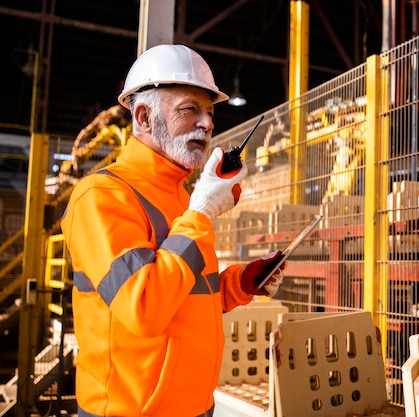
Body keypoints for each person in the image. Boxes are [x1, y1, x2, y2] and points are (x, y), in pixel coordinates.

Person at [61, 44, 284, 417]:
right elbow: (145, 307)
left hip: (196, 408)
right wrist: (202, 212)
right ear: (144, 117)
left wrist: (241, 284)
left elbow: (187, 297)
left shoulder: (181, 198)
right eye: (189, 109)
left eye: (210, 112)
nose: (207, 123)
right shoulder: (101, 196)